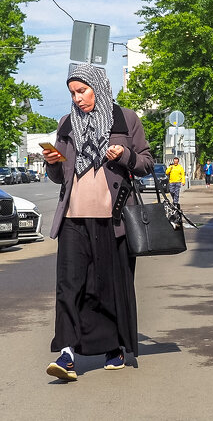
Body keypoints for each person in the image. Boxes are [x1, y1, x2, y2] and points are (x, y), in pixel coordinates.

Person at [42, 64, 154, 382]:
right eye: (72, 93)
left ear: (99, 87)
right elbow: (59, 176)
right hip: (73, 218)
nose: (77, 99)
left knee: (107, 287)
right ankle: (66, 354)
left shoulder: (126, 119)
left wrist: (124, 155)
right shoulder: (66, 124)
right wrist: (52, 164)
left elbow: (146, 163)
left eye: (82, 91)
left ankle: (113, 347)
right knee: (69, 286)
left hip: (113, 219)